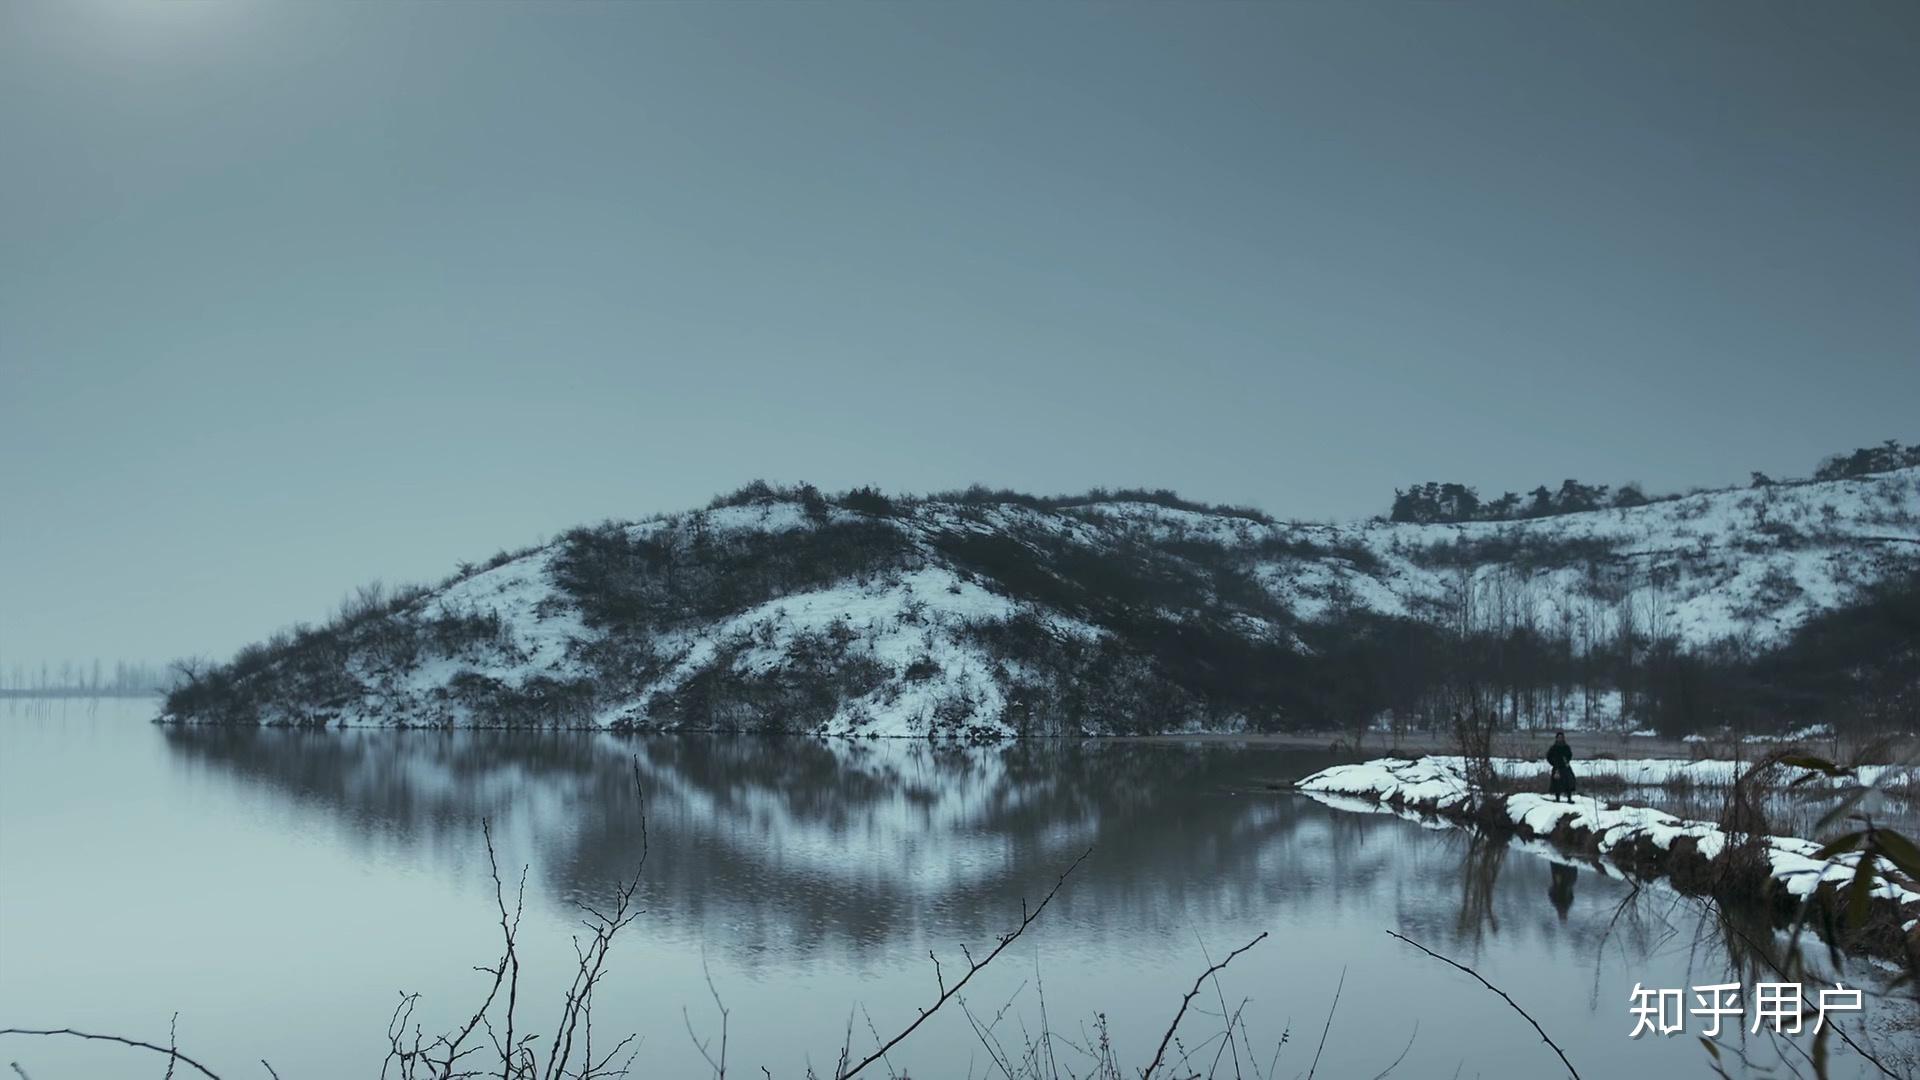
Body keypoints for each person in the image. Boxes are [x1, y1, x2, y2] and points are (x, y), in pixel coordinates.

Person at [1547, 731, 1575, 802]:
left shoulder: (1566, 747)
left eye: (1561, 737)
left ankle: (1569, 798)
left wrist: (1567, 760)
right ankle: (1557, 798)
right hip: (1557, 768)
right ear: (1556, 738)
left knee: (1569, 782)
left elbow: (1570, 755)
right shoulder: (1553, 748)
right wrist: (1553, 763)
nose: (1560, 739)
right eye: (1558, 737)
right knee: (1557, 784)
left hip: (1565, 767)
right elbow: (1548, 757)